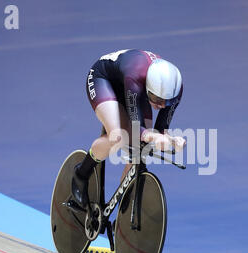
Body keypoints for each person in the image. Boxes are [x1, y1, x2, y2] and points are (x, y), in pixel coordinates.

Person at [72, 49, 186, 208]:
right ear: (149, 87)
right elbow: (135, 129)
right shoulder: (135, 74)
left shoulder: (175, 91)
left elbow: (161, 129)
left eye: (165, 103)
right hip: (105, 79)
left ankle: (123, 198)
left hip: (137, 88)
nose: (160, 106)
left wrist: (171, 140)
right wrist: (152, 136)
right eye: (156, 100)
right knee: (118, 136)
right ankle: (81, 173)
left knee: (141, 149)